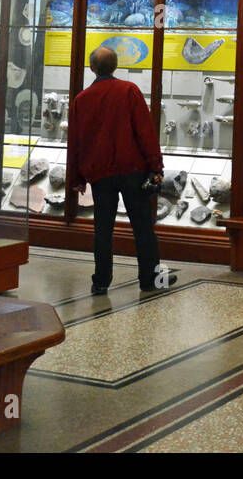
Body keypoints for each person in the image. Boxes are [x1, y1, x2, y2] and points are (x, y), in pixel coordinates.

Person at [66, 45, 176, 295]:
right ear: (115, 66)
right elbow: (145, 132)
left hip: (101, 174)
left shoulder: (82, 100)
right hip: (133, 171)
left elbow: (76, 141)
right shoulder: (129, 91)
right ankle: (150, 279)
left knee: (103, 228)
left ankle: (100, 281)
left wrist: (77, 178)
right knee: (143, 227)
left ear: (92, 68)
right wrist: (155, 166)